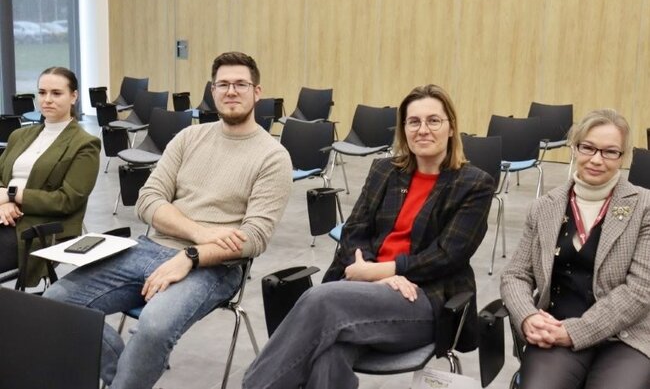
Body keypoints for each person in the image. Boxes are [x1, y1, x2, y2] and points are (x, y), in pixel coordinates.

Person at [44, 51, 293, 389]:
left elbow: (254, 237)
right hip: (150, 248)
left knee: (154, 326)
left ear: (257, 91)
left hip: (215, 267)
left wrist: (191, 255)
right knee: (56, 303)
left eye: (240, 84)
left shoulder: (273, 157)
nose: (231, 91)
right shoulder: (189, 138)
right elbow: (148, 200)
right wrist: (199, 233)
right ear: (212, 90)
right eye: (223, 84)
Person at [243, 84, 495, 389]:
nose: (422, 129)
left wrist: (381, 272)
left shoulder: (474, 184)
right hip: (362, 291)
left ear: (451, 127)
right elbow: (354, 231)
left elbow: (447, 255)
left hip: (423, 300)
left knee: (321, 301)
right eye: (414, 122)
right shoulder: (385, 170)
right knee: (329, 356)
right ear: (404, 128)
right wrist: (373, 274)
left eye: (433, 121)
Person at [501, 109, 650, 389]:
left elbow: (640, 291)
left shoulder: (644, 207)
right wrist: (527, 316)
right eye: (588, 147)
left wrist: (574, 332)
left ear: (623, 157)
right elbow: (516, 275)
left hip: (625, 336)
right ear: (575, 147)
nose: (596, 159)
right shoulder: (544, 207)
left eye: (610, 152)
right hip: (555, 326)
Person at [0, 67, 100, 287]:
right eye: (42, 92)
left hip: (37, 226)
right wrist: (3, 203)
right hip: (4, 214)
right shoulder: (19, 135)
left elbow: (67, 200)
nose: (47, 100)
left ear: (73, 96)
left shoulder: (85, 144)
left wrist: (12, 195)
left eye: (56, 93)